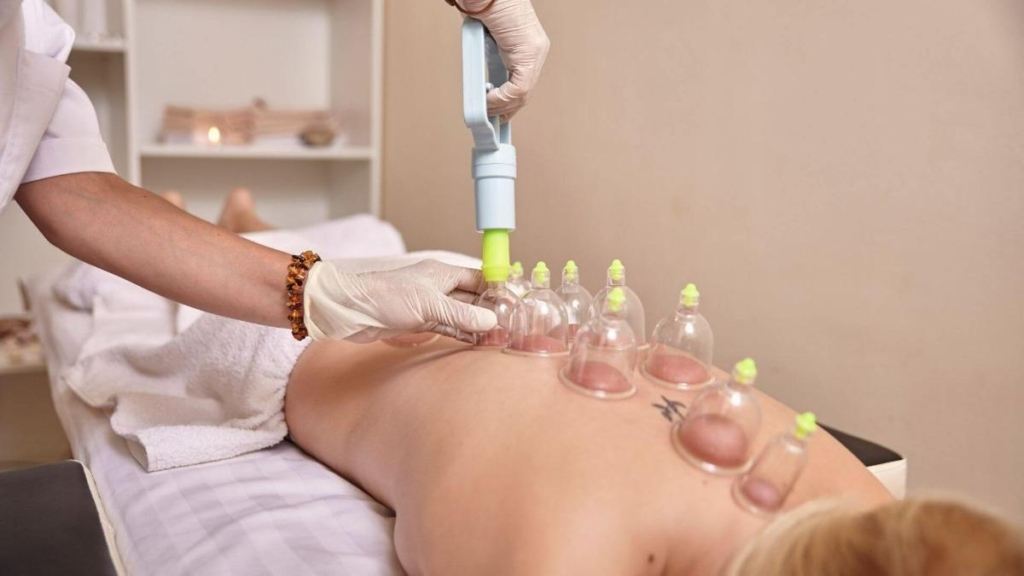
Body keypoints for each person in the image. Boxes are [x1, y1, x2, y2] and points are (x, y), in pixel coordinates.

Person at [65, 192, 1024, 575]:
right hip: (304, 339)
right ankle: (246, 217)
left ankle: (252, 217)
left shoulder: (854, 504)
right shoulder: (555, 552)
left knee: (309, 246)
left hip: (458, 304)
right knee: (205, 283)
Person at [0, 0, 548, 343]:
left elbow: (76, 193)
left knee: (369, 243)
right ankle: (233, 214)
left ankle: (232, 214)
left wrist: (329, 292)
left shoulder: (24, 27)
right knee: (363, 239)